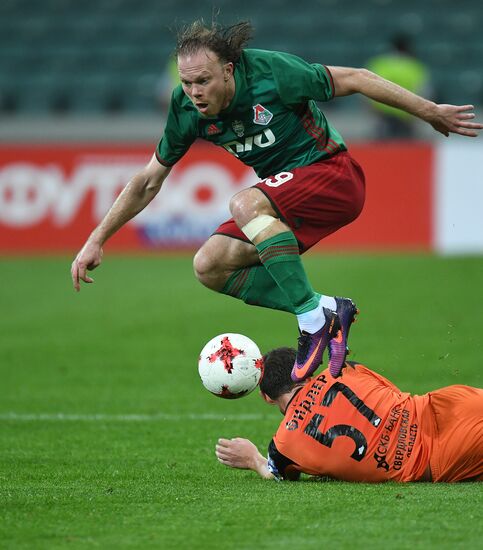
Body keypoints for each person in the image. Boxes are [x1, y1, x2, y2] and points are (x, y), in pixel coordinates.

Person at [70, 20, 483, 382]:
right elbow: (147, 181)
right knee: (209, 265)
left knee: (245, 204)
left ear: (229, 70)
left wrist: (429, 112)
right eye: (187, 82)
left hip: (333, 174)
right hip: (288, 195)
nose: (194, 92)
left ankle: (311, 320)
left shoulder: (270, 71)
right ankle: (326, 309)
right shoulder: (186, 108)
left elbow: (357, 77)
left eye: (203, 81)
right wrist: (96, 238)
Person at [215, 347, 483, 483]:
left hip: (442, 454)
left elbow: (276, 474)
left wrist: (253, 459)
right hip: (447, 402)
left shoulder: (284, 446)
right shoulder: (344, 368)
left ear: (266, 398)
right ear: (306, 370)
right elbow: (390, 394)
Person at [366, 34, 433, 139]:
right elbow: (424, 92)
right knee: (406, 150)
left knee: (383, 150)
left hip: (384, 116)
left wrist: (372, 111)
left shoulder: (380, 64)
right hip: (408, 116)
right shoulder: (416, 67)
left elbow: (367, 89)